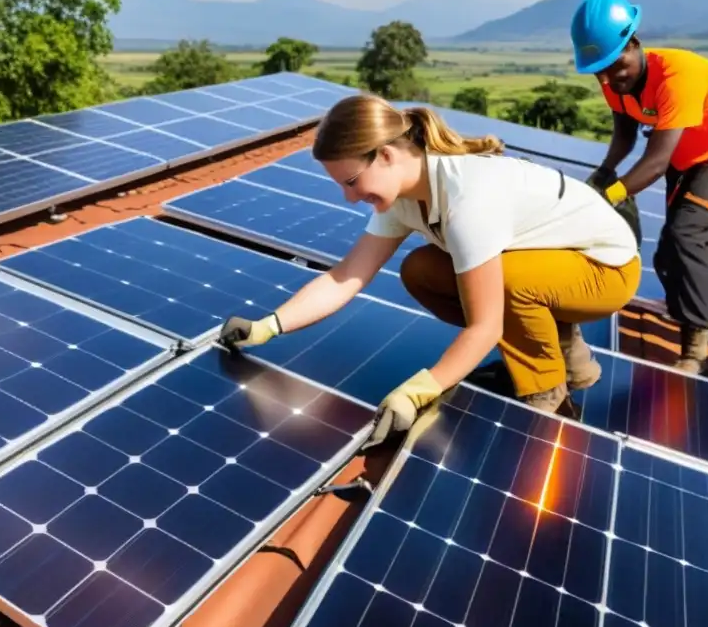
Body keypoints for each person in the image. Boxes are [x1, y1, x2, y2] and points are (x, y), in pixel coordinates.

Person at [217, 93, 641, 447]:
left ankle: (551, 397)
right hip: (549, 264)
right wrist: (268, 327)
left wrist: (420, 389)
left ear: (385, 155)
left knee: (504, 282)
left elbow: (485, 325)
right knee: (421, 269)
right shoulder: (404, 196)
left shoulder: (467, 198)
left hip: (606, 267)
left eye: (350, 181)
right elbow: (346, 276)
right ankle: (559, 350)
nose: (348, 198)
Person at [570, 0, 708, 374]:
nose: (610, 78)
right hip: (687, 159)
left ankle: (695, 352)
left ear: (635, 43)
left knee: (687, 236)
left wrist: (609, 196)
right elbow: (625, 136)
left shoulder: (678, 74)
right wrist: (602, 174)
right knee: (667, 255)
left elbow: (657, 160)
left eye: (616, 65)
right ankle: (683, 312)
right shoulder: (612, 81)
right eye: (600, 71)